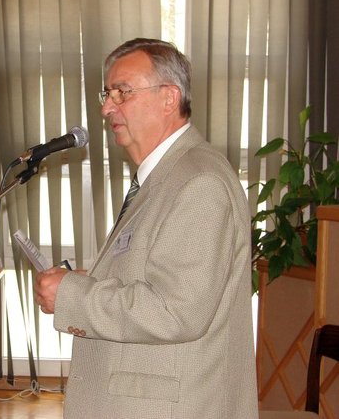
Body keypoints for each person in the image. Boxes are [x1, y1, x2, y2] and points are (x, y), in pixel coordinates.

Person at [35, 38, 258, 419]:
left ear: (170, 98)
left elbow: (177, 311)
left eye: (122, 93)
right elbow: (156, 278)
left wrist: (73, 294)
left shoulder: (198, 182)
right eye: (107, 94)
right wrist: (93, 279)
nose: (107, 108)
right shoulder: (167, 177)